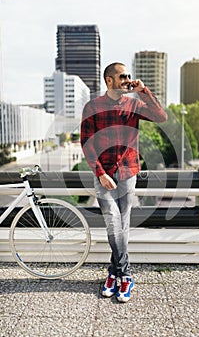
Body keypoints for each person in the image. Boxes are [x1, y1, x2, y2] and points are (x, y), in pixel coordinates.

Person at [80, 62, 167, 302]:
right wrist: (100, 173)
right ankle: (126, 275)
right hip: (104, 175)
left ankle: (112, 272)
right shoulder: (92, 107)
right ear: (109, 80)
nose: (127, 79)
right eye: (122, 76)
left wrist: (144, 91)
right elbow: (87, 143)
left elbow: (161, 116)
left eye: (128, 75)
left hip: (128, 172)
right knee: (112, 222)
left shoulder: (135, 104)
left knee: (123, 224)